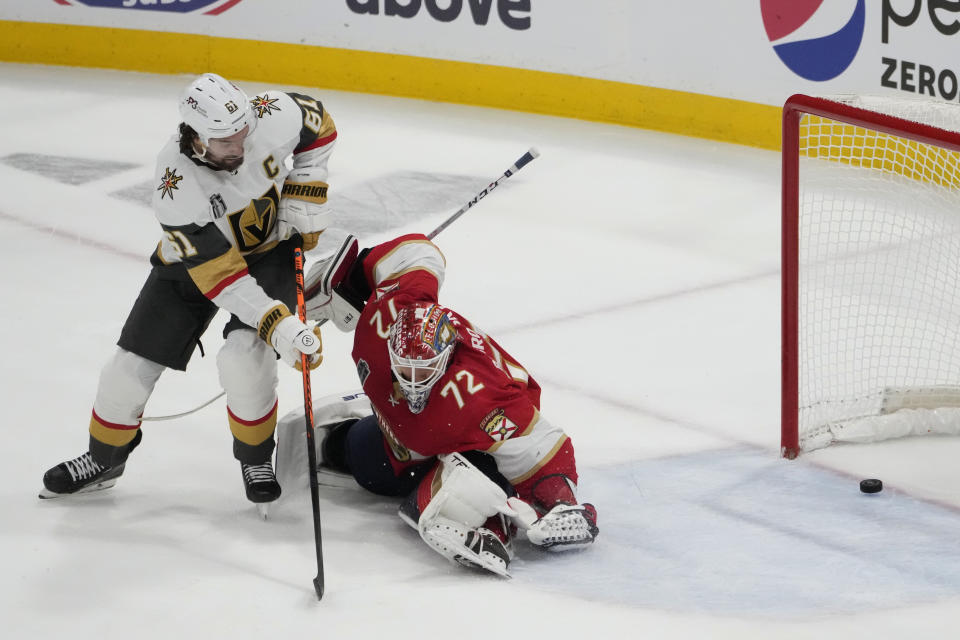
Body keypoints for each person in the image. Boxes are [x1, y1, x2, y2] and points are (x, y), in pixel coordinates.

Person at [40, 73, 336, 510]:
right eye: (226, 144)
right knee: (125, 370)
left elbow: (320, 125)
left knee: (244, 359)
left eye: (243, 136)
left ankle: (255, 459)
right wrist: (282, 326)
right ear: (196, 137)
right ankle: (104, 460)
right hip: (196, 265)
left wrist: (306, 187)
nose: (240, 149)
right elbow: (223, 279)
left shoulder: (267, 115)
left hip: (270, 251)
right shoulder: (175, 186)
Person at [292, 233, 598, 576]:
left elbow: (541, 447)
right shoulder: (393, 308)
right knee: (359, 461)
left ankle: (491, 517)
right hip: (400, 438)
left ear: (446, 356)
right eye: (403, 367)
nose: (410, 380)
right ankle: (468, 501)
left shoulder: (481, 398)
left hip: (467, 439)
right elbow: (417, 250)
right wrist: (352, 276)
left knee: (461, 486)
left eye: (422, 370)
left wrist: (564, 504)